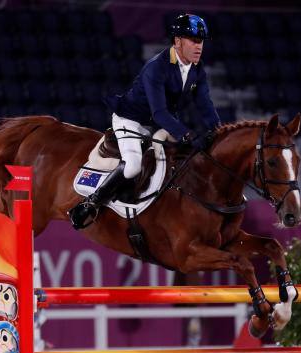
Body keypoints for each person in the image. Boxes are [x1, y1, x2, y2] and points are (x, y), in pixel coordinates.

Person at [69, 13, 221, 230]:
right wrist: (187, 134)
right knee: (132, 167)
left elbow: (205, 104)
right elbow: (159, 112)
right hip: (131, 120)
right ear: (178, 41)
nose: (199, 47)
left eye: (201, 42)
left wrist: (219, 131)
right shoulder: (156, 67)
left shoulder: (197, 70)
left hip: (158, 125)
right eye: (194, 41)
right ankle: (91, 203)